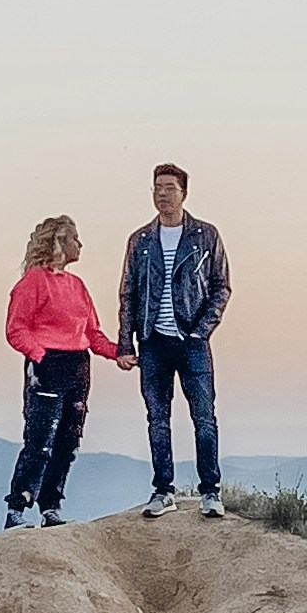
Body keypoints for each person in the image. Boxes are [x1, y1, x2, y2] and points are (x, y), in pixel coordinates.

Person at [116, 162, 232, 518]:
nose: (161, 193)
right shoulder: (141, 240)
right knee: (157, 419)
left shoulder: (205, 235)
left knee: (204, 418)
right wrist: (126, 343)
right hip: (153, 342)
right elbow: (129, 293)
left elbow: (221, 287)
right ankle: (163, 490)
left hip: (192, 342)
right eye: (156, 187)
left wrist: (200, 330)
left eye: (169, 187)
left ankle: (210, 492)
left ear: (184, 192)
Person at [2, 214, 131, 527]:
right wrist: (40, 356)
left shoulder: (77, 286)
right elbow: (16, 328)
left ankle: (50, 508)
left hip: (77, 366)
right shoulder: (33, 282)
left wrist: (119, 354)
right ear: (58, 242)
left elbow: (92, 333)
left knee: (68, 442)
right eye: (74, 237)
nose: (80, 244)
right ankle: (17, 510)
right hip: (48, 365)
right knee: (40, 440)